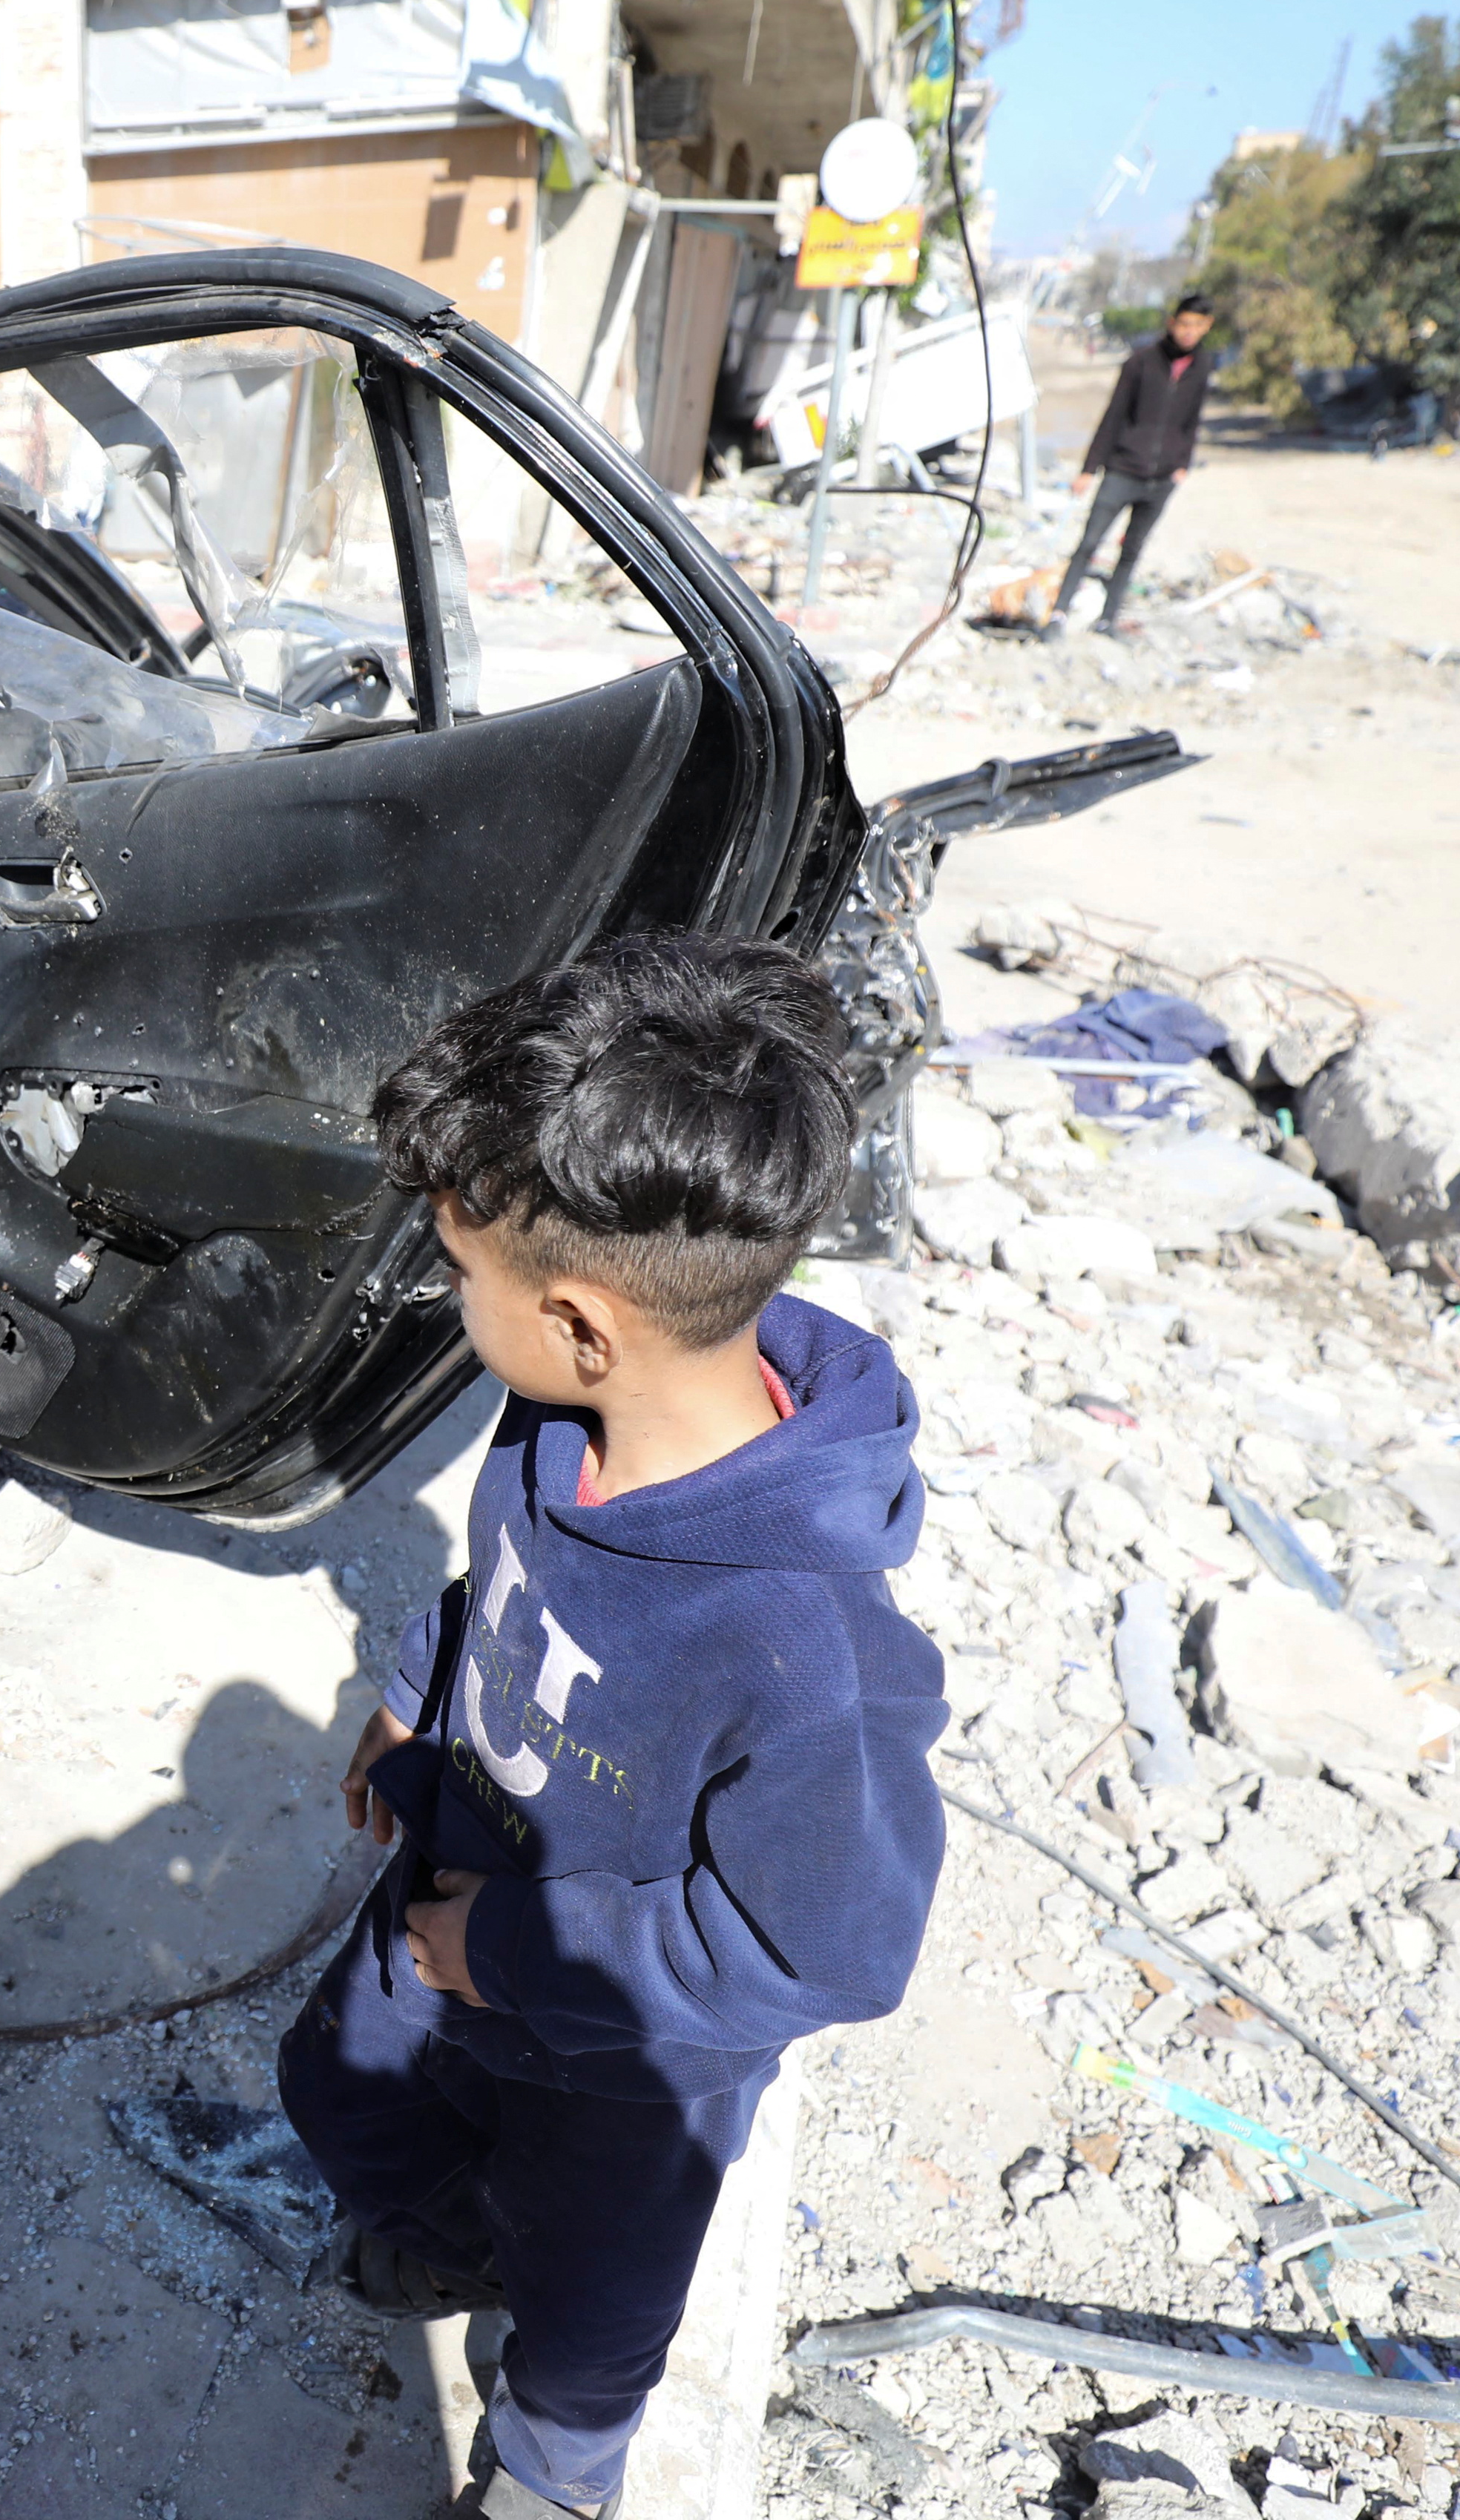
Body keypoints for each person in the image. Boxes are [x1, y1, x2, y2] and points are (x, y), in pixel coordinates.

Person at [280, 934, 947, 2520]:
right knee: (337, 2091)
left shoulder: (804, 1648)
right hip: (451, 1906)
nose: (446, 1301)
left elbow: (826, 1952)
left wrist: (495, 1952)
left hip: (627, 2070)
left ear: (581, 1319)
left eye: (458, 1274)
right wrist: (410, 1686)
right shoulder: (560, 1418)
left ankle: (545, 2485)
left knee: (582, 2333)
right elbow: (498, 1577)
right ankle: (450, 2240)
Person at [1052, 291, 1217, 634]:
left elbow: (1192, 419)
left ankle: (1108, 619)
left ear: (1207, 327)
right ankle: (1058, 614)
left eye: (1197, 326)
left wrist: (1182, 464)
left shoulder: (1202, 366)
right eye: (1184, 324)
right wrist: (1088, 469)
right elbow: (1113, 417)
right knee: (1089, 544)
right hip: (1122, 469)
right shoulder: (1141, 362)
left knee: (1131, 551)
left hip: (1161, 479)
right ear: (1172, 323)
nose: (1188, 332)